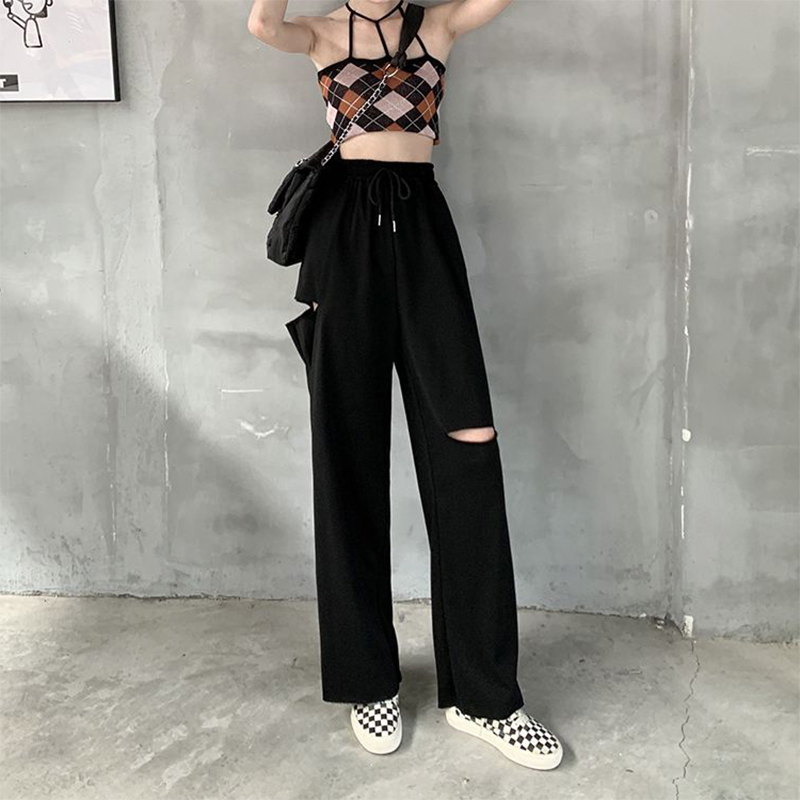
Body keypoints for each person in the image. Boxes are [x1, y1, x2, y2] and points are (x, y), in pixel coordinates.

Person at [248, 0, 564, 770]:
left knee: (468, 445)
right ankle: (369, 681)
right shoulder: (320, 32)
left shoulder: (438, 26)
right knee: (348, 456)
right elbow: (262, 25)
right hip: (342, 238)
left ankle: (484, 696)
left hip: (422, 230)